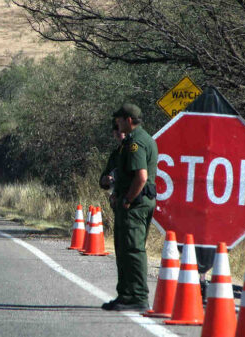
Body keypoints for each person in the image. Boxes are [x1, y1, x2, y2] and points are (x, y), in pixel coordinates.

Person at [101, 103, 158, 312]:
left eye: (120, 120)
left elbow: (141, 177)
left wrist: (127, 200)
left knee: (133, 250)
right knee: (124, 250)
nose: (117, 124)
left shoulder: (136, 143)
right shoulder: (134, 141)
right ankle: (126, 295)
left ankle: (138, 296)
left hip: (135, 204)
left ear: (129, 120)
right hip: (135, 203)